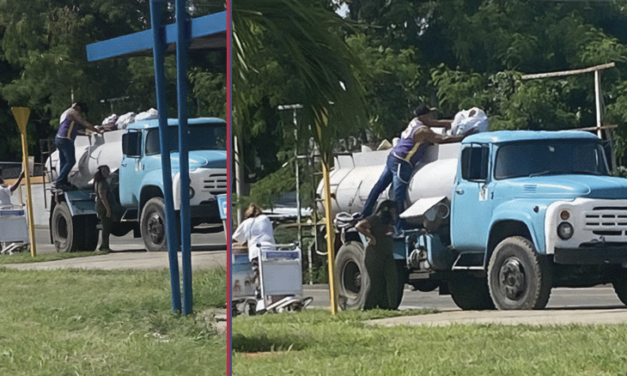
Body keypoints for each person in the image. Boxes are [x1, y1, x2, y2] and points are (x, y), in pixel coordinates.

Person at [360, 105, 470, 230]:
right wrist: (465, 136)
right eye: (429, 115)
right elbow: (442, 139)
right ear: (423, 116)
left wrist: (457, 123)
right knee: (399, 194)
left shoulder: (415, 122)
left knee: (379, 187)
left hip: (393, 157)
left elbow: (437, 123)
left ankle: (365, 213)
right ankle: (400, 224)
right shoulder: (422, 131)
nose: (432, 117)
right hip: (402, 162)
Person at [355, 200, 399, 310]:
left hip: (387, 254)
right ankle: (368, 307)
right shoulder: (376, 219)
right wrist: (371, 237)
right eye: (393, 209)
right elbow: (359, 226)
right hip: (374, 255)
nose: (395, 212)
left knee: (392, 279)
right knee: (375, 282)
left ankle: (390, 305)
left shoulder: (390, 221)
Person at [54, 102, 103, 190]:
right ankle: (60, 181)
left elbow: (71, 129)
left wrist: (85, 133)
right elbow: (84, 123)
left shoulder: (65, 113)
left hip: (59, 138)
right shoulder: (72, 112)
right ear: (76, 106)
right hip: (66, 139)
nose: (79, 112)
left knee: (63, 162)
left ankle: (63, 181)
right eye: (80, 109)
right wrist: (97, 130)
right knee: (71, 161)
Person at [232, 203, 276, 286]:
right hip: (270, 249)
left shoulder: (246, 222)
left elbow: (235, 238)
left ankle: (259, 286)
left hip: (255, 250)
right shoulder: (266, 219)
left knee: (258, 273)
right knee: (269, 274)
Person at [94, 165, 116, 252]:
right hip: (102, 206)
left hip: (100, 206)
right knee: (106, 227)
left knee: (106, 227)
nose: (108, 173)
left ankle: (103, 245)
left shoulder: (98, 181)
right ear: (102, 172)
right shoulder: (102, 182)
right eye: (105, 171)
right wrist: (108, 209)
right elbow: (102, 196)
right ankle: (104, 246)